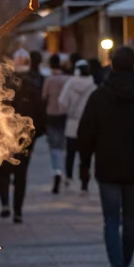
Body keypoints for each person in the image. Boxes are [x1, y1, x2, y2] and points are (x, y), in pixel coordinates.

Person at [77, 45, 134, 267]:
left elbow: (85, 132)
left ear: (111, 64)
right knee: (130, 219)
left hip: (107, 166)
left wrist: (84, 163)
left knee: (111, 219)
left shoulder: (99, 96)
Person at [0, 64, 45, 223]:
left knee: (6, 173)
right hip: (20, 140)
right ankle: (16, 210)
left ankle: (8, 206)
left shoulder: (1, 90)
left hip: (6, 140)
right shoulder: (32, 91)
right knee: (19, 176)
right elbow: (39, 117)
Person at [58, 60, 96, 191]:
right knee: (85, 156)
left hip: (72, 123)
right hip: (87, 125)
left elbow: (62, 102)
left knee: (70, 153)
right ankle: (84, 181)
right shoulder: (93, 85)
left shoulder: (70, 83)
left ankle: (68, 177)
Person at [42, 53, 69, 194]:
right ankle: (62, 171)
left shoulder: (49, 80)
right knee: (62, 144)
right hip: (64, 114)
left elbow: (44, 96)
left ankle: (56, 170)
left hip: (51, 114)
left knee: (54, 146)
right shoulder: (66, 79)